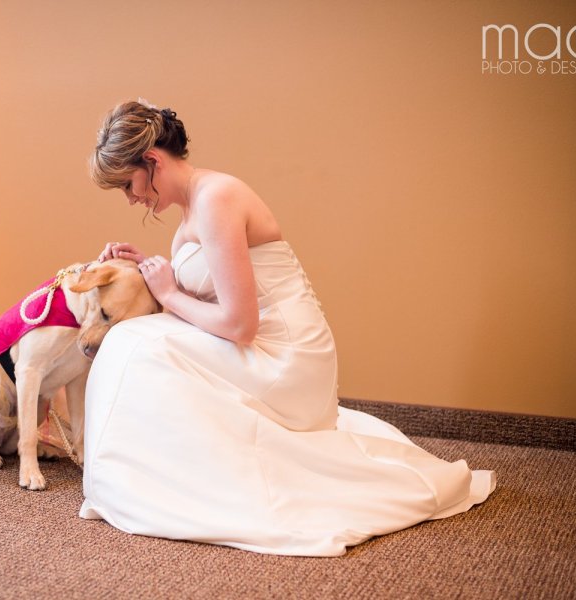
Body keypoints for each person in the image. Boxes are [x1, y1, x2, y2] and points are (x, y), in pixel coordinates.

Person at [78, 97, 495, 556]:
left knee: (137, 346)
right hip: (259, 345)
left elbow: (239, 325)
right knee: (135, 341)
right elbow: (202, 304)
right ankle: (156, 480)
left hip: (288, 357)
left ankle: (156, 484)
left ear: (152, 161)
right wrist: (145, 272)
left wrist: (171, 294)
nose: (132, 198)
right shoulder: (190, 215)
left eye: (128, 184)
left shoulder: (218, 198)